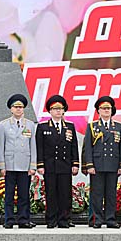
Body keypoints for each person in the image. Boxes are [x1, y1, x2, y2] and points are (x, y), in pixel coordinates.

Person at [36, 95, 79, 228]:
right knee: (51, 193)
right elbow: (40, 148)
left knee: (65, 194)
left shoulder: (69, 127)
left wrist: (75, 164)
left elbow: (74, 147)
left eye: (60, 109)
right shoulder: (43, 127)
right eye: (55, 109)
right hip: (50, 166)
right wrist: (40, 164)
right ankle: (51, 220)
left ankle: (64, 219)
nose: (58, 111)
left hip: (65, 165)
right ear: (50, 111)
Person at [84, 96, 121, 229]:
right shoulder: (92, 126)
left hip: (113, 165)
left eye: (108, 108)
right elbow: (88, 147)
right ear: (98, 110)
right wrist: (89, 165)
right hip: (97, 165)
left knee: (111, 194)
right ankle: (97, 219)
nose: (106, 110)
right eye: (103, 108)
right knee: (97, 194)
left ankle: (110, 219)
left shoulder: (119, 126)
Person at [0, 94, 37, 229]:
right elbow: (0, 146)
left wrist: (33, 165)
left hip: (24, 164)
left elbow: (33, 146)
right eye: (16, 107)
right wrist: (1, 166)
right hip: (9, 164)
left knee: (24, 195)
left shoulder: (30, 124)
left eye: (21, 107)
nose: (18, 109)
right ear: (11, 109)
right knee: (8, 194)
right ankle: (8, 220)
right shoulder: (4, 125)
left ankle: (23, 219)